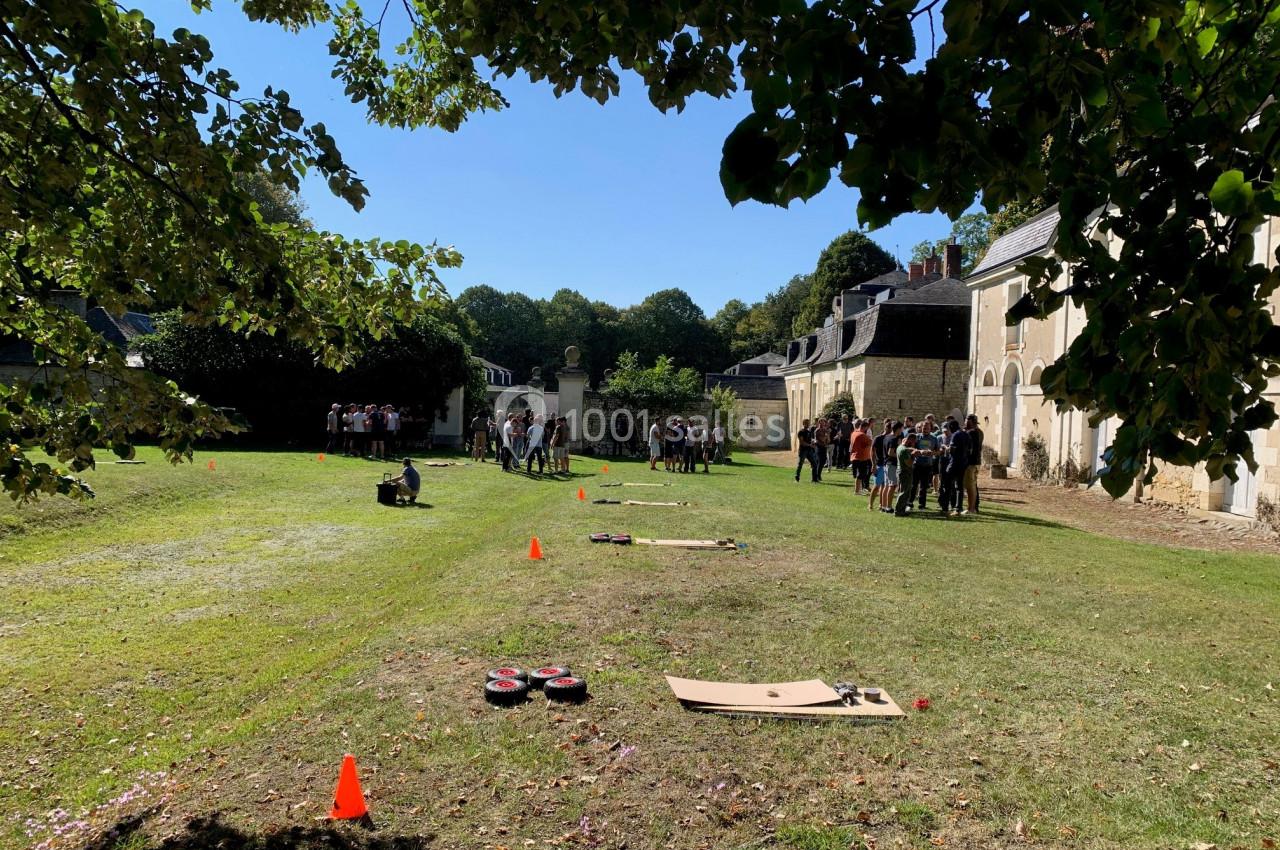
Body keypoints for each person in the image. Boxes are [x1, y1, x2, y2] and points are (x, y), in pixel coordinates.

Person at [940, 419, 970, 516]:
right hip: (964, 463)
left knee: (947, 485)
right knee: (959, 486)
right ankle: (958, 508)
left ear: (951, 427)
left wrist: (945, 447)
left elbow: (951, 450)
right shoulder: (966, 434)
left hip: (954, 463)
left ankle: (945, 507)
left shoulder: (955, 435)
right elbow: (970, 449)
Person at [913, 420, 939, 509]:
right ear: (921, 428)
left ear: (930, 429)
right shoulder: (916, 437)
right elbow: (911, 449)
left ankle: (922, 505)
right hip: (917, 464)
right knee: (914, 485)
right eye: (923, 428)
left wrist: (932, 453)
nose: (925, 430)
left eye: (927, 428)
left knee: (923, 487)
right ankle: (910, 503)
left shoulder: (934, 438)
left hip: (927, 465)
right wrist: (919, 451)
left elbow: (938, 451)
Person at [894, 431, 919, 516]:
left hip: (901, 471)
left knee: (903, 491)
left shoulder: (900, 447)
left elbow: (907, 449)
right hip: (905, 472)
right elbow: (909, 463)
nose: (913, 444)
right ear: (910, 440)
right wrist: (913, 455)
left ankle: (901, 509)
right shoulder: (904, 450)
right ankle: (899, 511)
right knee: (904, 492)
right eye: (913, 442)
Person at [880, 421, 902, 512]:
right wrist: (900, 455)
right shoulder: (894, 438)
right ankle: (888, 507)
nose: (902, 430)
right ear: (898, 429)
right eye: (901, 428)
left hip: (886, 464)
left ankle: (883, 506)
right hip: (891, 464)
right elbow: (890, 452)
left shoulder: (886, 437)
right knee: (892, 486)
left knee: (886, 485)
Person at [868, 419, 890, 511]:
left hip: (888, 465)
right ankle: (870, 504)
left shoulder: (892, 439)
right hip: (879, 465)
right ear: (885, 427)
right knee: (877, 486)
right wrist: (873, 465)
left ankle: (881, 504)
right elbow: (872, 452)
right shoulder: (878, 438)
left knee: (885, 486)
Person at [965, 414, 984, 514]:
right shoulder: (980, 432)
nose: (965, 423)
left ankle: (971, 508)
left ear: (970, 421)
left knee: (970, 486)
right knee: (974, 485)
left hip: (971, 462)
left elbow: (970, 449)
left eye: (966, 421)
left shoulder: (972, 432)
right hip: (977, 462)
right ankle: (975, 507)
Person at [850, 419, 873, 495]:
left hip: (855, 455)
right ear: (865, 427)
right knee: (861, 474)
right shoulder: (862, 435)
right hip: (861, 457)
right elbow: (870, 442)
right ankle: (857, 491)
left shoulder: (854, 433)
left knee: (859, 474)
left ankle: (858, 490)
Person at [795, 418, 819, 483]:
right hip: (803, 450)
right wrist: (810, 445)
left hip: (809, 451)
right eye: (806, 423)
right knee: (800, 464)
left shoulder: (809, 432)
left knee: (814, 464)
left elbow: (810, 439)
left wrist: (814, 441)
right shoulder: (801, 432)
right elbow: (802, 442)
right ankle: (797, 478)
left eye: (808, 423)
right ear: (803, 424)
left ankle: (814, 479)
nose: (808, 424)